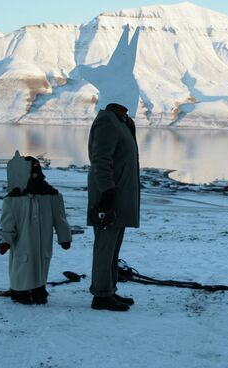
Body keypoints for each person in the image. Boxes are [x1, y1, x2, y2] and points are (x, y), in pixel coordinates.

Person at [0, 151, 72, 305]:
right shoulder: (14, 199)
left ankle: (39, 290)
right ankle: (20, 292)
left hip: (43, 242)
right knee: (22, 267)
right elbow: (7, 224)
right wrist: (5, 241)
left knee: (40, 266)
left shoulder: (51, 196)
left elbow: (60, 220)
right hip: (22, 243)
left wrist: (64, 238)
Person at [87, 103, 140, 312]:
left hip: (119, 196)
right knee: (104, 247)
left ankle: (108, 289)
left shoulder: (122, 122)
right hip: (108, 198)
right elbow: (101, 159)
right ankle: (101, 295)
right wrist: (107, 192)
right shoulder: (107, 121)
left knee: (113, 248)